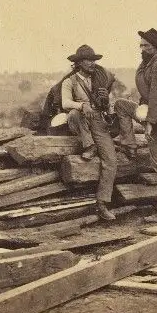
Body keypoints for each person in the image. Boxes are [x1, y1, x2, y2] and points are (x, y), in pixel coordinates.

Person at [115, 28, 157, 223]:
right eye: (141, 45)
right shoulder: (148, 61)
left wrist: (150, 124)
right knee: (121, 104)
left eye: (146, 45)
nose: (142, 48)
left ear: (155, 47)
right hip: (149, 110)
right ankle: (130, 144)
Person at [61, 44, 122, 221]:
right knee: (73, 113)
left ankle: (102, 203)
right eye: (88, 60)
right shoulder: (69, 81)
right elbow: (65, 103)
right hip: (80, 119)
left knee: (111, 160)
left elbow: (106, 107)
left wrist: (105, 101)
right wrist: (81, 105)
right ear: (79, 63)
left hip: (97, 120)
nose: (92, 64)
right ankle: (89, 145)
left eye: (93, 60)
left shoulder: (99, 79)